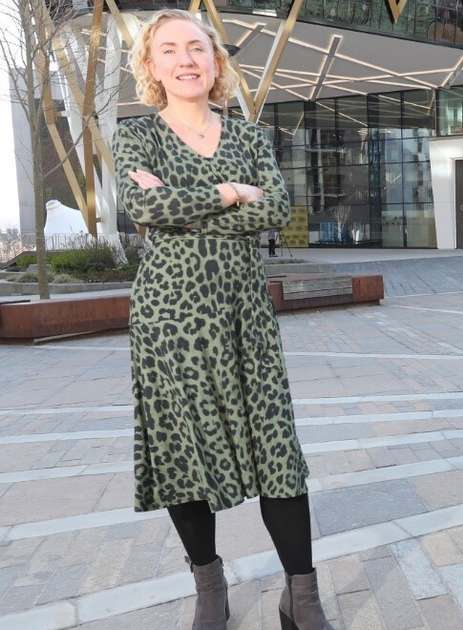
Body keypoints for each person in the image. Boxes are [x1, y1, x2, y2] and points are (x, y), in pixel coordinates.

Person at [113, 10, 331, 630]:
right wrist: (232, 194)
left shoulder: (249, 136)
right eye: (169, 51)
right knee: (183, 456)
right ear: (151, 67)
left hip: (246, 320)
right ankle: (211, 590)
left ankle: (302, 599)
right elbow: (141, 207)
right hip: (168, 321)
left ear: (216, 62)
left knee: (278, 455)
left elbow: (277, 212)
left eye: (196, 48)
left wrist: (183, 207)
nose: (185, 59)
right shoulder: (139, 136)